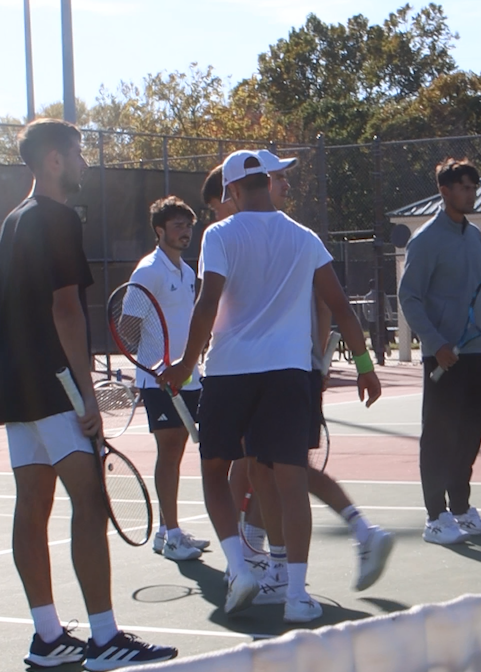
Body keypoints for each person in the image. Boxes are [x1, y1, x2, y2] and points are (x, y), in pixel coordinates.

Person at [164, 150, 382, 624]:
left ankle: (241, 568)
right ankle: (298, 596)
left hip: (229, 372)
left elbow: (207, 305)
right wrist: (365, 366)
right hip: (287, 375)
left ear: (235, 191)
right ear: (265, 182)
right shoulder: (304, 237)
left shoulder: (219, 234)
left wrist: (183, 365)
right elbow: (342, 310)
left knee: (215, 473)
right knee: (290, 483)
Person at [0, 119, 176, 672]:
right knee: (89, 502)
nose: (83, 163)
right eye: (75, 153)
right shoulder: (57, 218)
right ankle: (103, 638)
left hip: (15, 385)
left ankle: (48, 636)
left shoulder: (12, 221)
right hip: (55, 385)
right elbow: (65, 308)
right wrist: (87, 397)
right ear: (52, 160)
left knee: (33, 505)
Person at [238, 150, 395, 598]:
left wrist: (332, 363)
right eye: (279, 178)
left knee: (280, 472)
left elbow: (332, 305)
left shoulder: (292, 239)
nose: (287, 185)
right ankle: (268, 561)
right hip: (274, 372)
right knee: (263, 470)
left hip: (280, 374)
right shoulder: (251, 237)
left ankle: (337, 545)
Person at [397, 158, 481, 544]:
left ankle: (461, 509)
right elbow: (408, 297)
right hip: (444, 356)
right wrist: (435, 343)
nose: (471, 193)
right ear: (445, 192)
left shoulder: (474, 235)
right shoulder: (425, 240)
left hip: (479, 353)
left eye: (473, 187)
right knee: (439, 436)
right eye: (464, 187)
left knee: (469, 435)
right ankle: (435, 517)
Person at [126, 195, 209, 564]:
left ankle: (165, 530)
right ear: (160, 231)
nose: (185, 232)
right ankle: (173, 534)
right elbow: (127, 329)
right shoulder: (148, 272)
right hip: (158, 382)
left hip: (189, 377)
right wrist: (152, 367)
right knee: (169, 451)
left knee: (177, 454)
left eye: (188, 226)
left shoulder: (187, 272)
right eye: (177, 226)